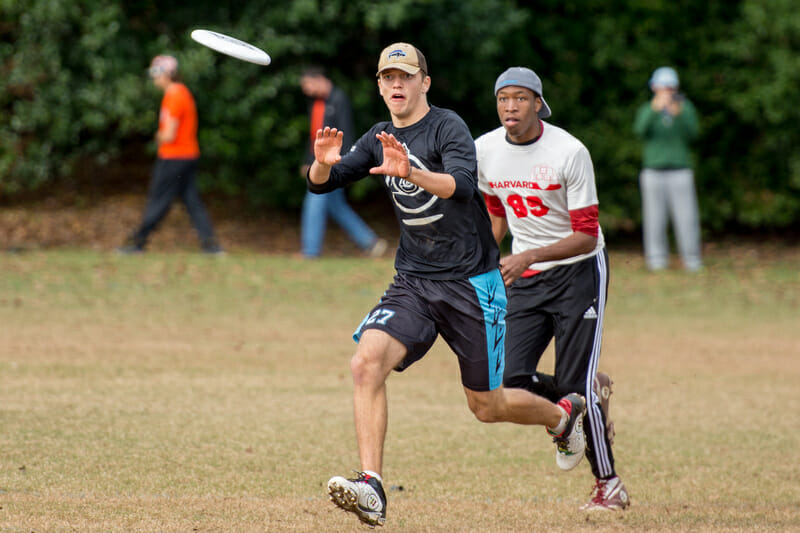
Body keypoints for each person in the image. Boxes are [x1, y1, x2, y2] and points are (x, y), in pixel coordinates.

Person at [309, 44, 587, 527]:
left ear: (424, 83)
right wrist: (323, 163)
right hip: (413, 281)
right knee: (365, 363)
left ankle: (561, 419)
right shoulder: (377, 136)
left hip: (472, 285)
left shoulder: (447, 126)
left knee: (487, 405)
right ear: (379, 85)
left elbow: (460, 183)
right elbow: (320, 185)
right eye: (387, 78)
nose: (396, 85)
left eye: (406, 77)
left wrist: (411, 170)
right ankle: (371, 486)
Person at [475, 67, 630, 511]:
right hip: (528, 276)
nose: (510, 107)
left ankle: (610, 486)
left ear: (539, 104)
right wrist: (487, 258)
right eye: (503, 98)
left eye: (520, 98)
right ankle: (583, 403)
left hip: (580, 271)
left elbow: (585, 234)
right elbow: (496, 209)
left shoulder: (569, 151)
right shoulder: (484, 149)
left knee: (573, 382)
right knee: (509, 380)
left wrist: (526, 256)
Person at [118, 55, 222, 255]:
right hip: (188, 156)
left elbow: (168, 134)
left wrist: (157, 136)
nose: (154, 78)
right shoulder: (182, 93)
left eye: (156, 73)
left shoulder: (174, 96)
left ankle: (137, 242)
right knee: (192, 201)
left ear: (167, 74)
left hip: (174, 157)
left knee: (158, 200)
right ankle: (210, 245)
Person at [299, 66, 387, 259]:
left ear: (319, 79)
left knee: (314, 198)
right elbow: (314, 136)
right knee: (336, 206)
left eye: (307, 84)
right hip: (319, 163)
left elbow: (346, 133)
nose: (306, 90)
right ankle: (370, 243)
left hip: (334, 164)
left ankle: (310, 253)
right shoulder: (315, 103)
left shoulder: (339, 99)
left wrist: (343, 165)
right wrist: (309, 161)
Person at [633, 66, 702, 272]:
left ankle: (692, 260)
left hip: (680, 171)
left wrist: (679, 115)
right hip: (653, 171)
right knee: (654, 218)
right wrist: (655, 111)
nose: (667, 92)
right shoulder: (648, 109)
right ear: (655, 88)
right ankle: (656, 261)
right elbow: (639, 130)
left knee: (687, 217)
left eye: (670, 87)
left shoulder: (686, 108)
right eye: (662, 87)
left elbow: (694, 134)